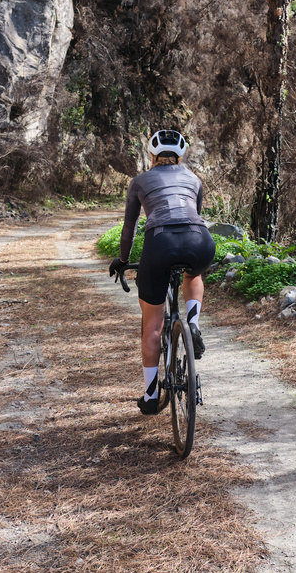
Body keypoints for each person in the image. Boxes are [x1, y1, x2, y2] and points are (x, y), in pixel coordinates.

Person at [109, 130, 216, 415]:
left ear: (152, 155)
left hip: (160, 243)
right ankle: (192, 322)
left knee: (153, 326)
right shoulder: (194, 179)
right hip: (200, 241)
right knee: (193, 275)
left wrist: (122, 260)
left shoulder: (139, 181)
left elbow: (129, 228)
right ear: (180, 156)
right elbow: (194, 213)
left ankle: (151, 396)